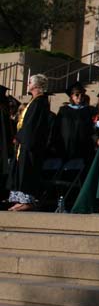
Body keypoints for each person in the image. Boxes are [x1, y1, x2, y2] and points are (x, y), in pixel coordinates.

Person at [6, 74, 51, 211]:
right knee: (21, 170)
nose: (27, 84)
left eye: (30, 82)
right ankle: (21, 199)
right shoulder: (34, 101)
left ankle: (28, 201)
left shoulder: (40, 102)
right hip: (24, 143)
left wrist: (21, 136)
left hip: (30, 144)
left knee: (28, 170)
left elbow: (32, 125)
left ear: (37, 85)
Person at [54, 82, 96, 168]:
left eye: (82, 95)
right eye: (77, 94)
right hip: (67, 145)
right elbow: (57, 127)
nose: (80, 97)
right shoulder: (63, 110)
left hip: (84, 145)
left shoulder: (89, 110)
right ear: (71, 96)